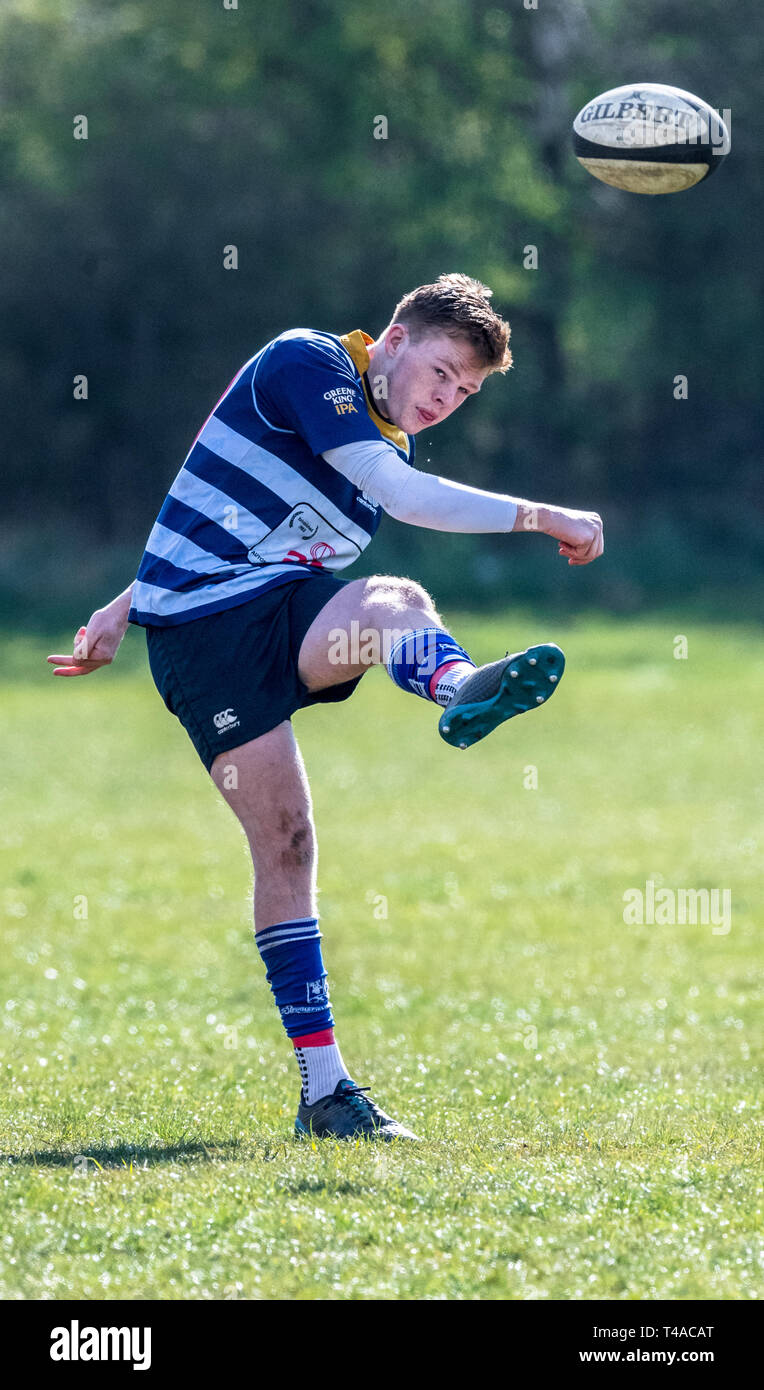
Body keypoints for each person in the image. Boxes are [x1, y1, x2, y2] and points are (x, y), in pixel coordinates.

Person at [48, 273, 603, 1141]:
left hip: (284, 618)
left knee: (390, 600)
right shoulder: (310, 364)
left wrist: (119, 606)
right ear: (395, 335)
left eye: (463, 392)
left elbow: (238, 519)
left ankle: (461, 690)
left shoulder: (390, 447)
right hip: (205, 643)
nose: (445, 400)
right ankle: (325, 1087)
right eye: (442, 373)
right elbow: (400, 501)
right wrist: (543, 515)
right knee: (286, 840)